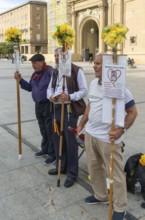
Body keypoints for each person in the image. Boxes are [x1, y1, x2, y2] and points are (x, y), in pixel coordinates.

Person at [77, 53, 137, 220]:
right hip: (91, 134)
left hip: (109, 138)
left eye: (98, 63)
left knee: (115, 174)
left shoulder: (119, 87)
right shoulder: (94, 83)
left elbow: (133, 112)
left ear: (109, 66)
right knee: (94, 168)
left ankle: (120, 207)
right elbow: (90, 105)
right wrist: (82, 124)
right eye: (94, 63)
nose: (94, 66)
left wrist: (121, 130)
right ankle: (100, 195)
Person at [47, 48, 88, 187]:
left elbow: (84, 91)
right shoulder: (55, 71)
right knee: (59, 139)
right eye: (55, 56)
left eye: (59, 56)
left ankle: (72, 173)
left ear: (67, 57)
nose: (57, 58)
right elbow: (49, 89)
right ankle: (62, 167)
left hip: (70, 109)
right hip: (57, 107)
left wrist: (70, 96)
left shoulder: (76, 70)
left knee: (70, 142)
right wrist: (51, 96)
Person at [14, 53, 56, 165]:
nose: (33, 65)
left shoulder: (50, 72)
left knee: (50, 131)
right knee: (43, 129)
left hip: (48, 105)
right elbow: (30, 88)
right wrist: (20, 80)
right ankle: (45, 149)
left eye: (35, 62)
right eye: (32, 63)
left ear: (42, 62)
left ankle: (53, 154)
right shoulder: (35, 74)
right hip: (38, 105)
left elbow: (57, 87)